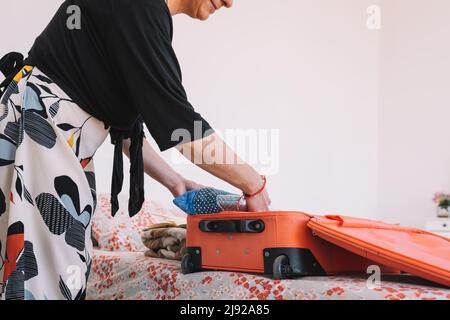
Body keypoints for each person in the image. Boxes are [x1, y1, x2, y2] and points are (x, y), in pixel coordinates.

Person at [0, 0, 270, 300]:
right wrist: (254, 185)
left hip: (49, 133)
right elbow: (183, 128)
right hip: (38, 129)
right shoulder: (139, 7)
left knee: (48, 269)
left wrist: (176, 183)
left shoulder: (142, 13)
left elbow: (125, 129)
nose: (230, 2)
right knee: (42, 274)